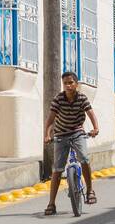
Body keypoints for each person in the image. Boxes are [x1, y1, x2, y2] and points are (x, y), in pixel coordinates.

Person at [43, 71, 100, 216]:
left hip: (77, 132)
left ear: (76, 84)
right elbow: (50, 120)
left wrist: (95, 128)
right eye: (65, 83)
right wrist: (47, 135)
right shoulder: (58, 99)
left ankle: (90, 191)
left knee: (84, 159)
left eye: (70, 83)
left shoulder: (82, 98)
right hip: (61, 134)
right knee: (57, 169)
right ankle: (51, 203)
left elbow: (91, 114)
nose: (68, 86)